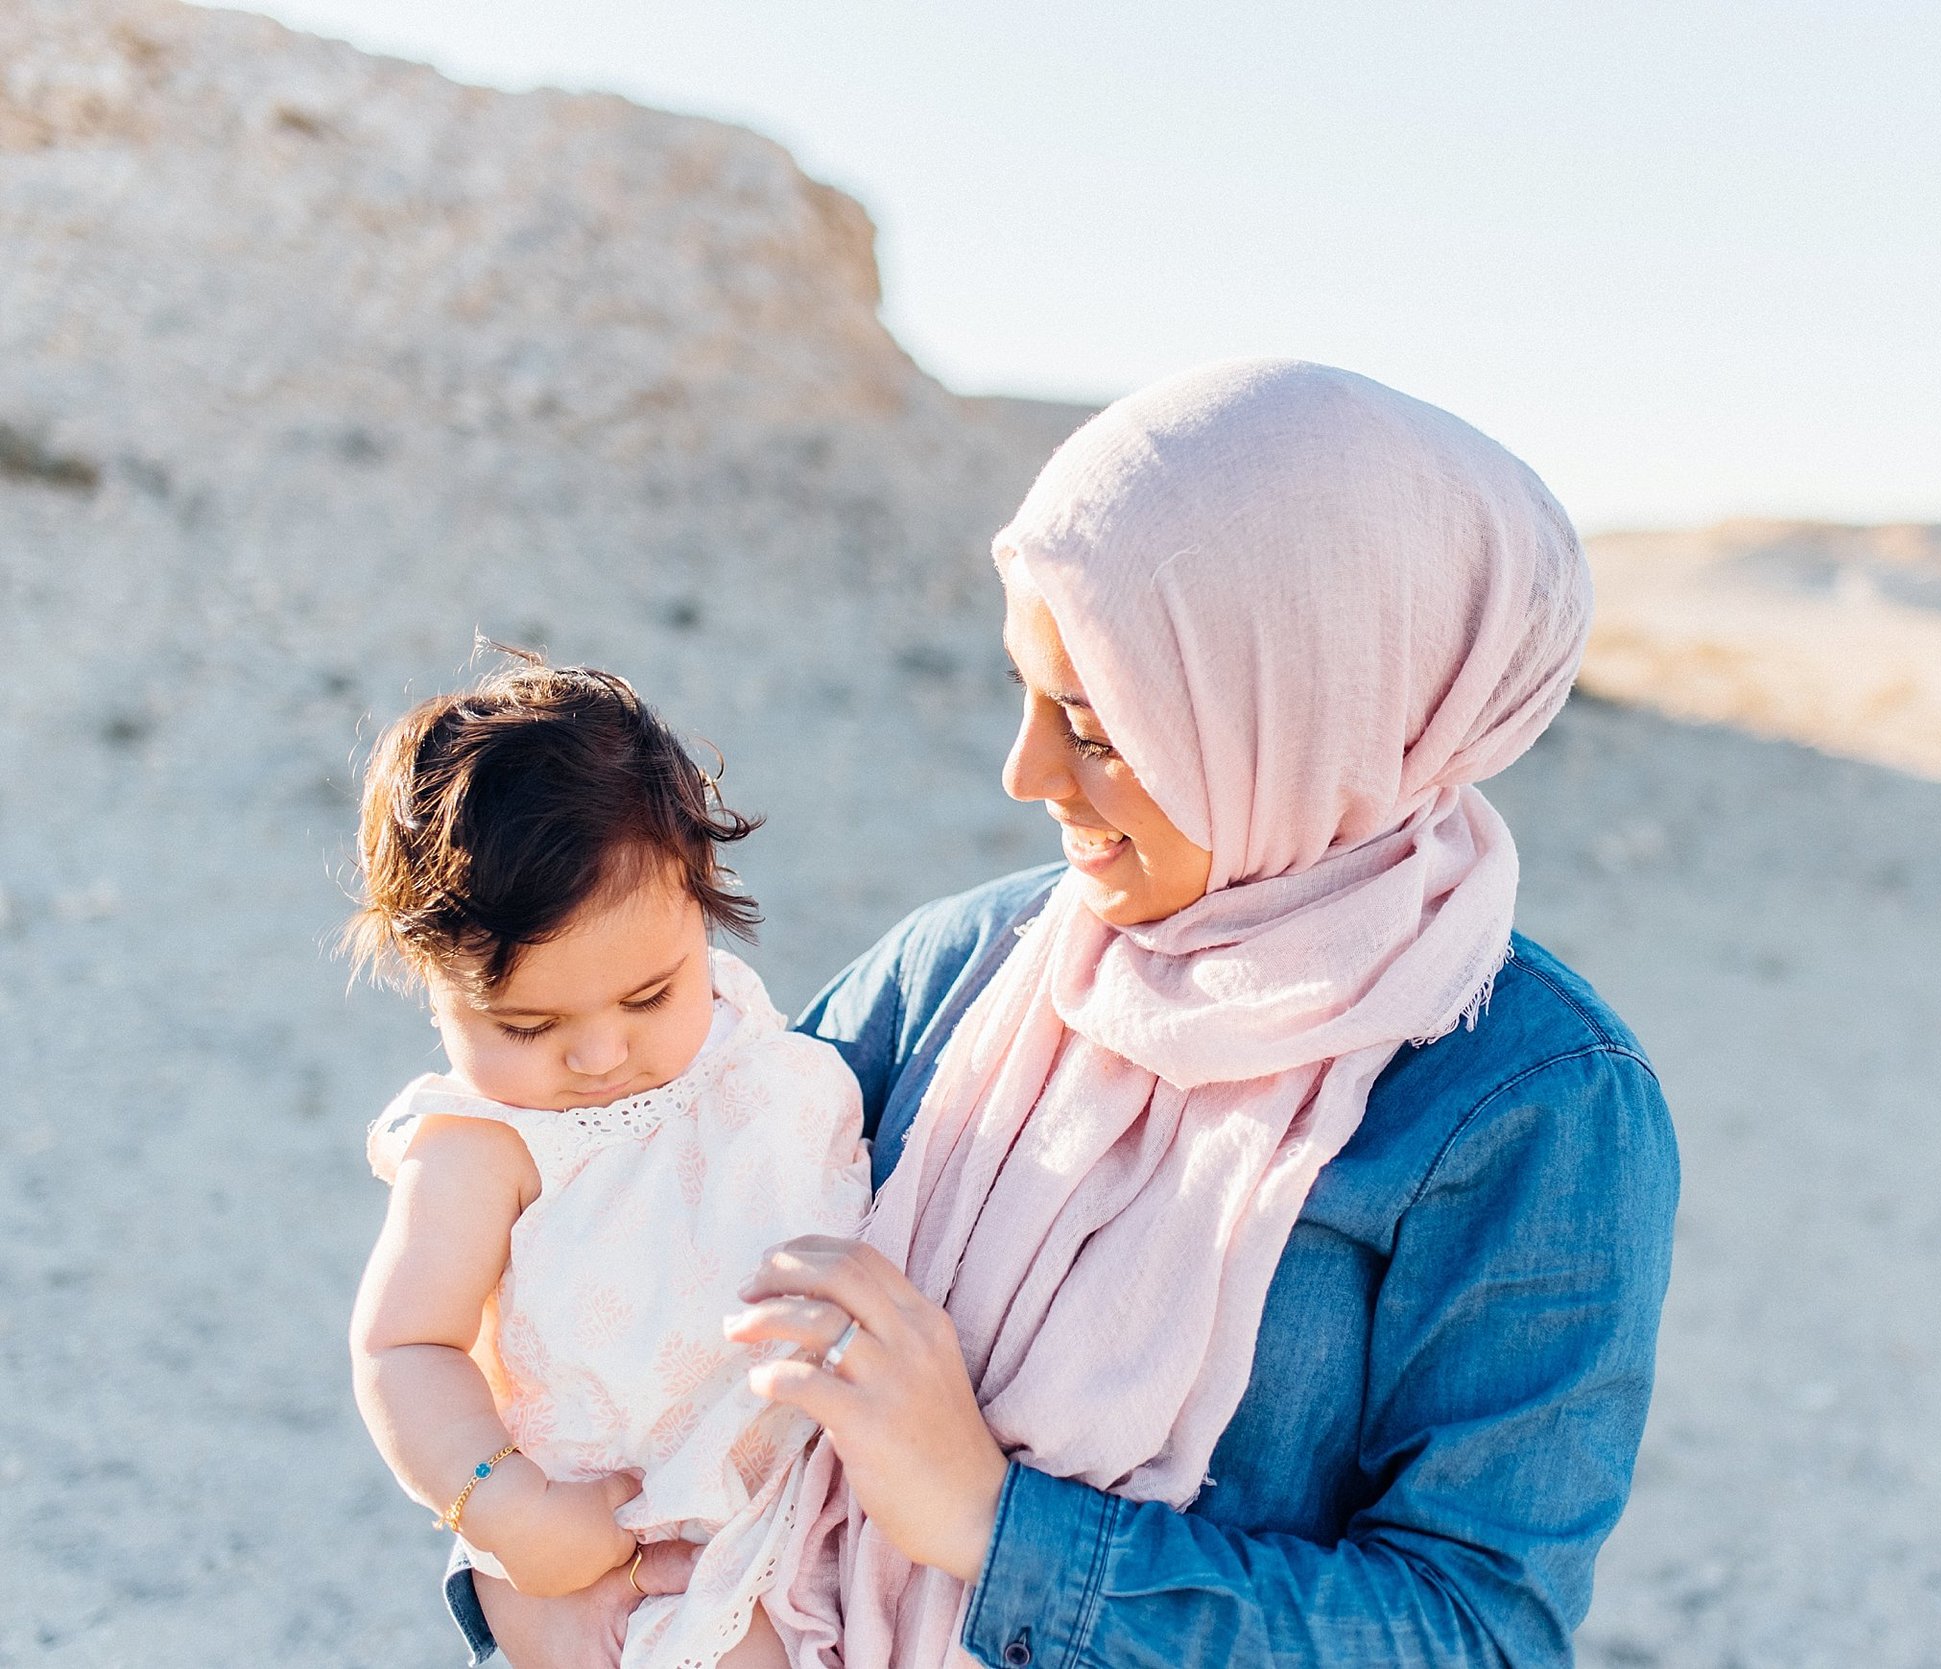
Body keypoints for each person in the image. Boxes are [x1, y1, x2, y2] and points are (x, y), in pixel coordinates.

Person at [460, 359, 1680, 1668]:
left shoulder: (1529, 1101)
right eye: (1025, 693)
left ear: (1300, 712)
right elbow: (623, 1240)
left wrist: (990, 1520)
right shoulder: (965, 966)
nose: (1026, 771)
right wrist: (536, 1573)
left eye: (1098, 725)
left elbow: (1476, 1633)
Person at [349, 655, 873, 1669]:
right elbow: (402, 1347)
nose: (598, 1057)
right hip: (625, 1540)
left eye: (646, 997)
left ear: (703, 903)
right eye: (528, 1024)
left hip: (810, 1499)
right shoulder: (485, 1144)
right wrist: (504, 1504)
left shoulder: (743, 1044)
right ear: (431, 986)